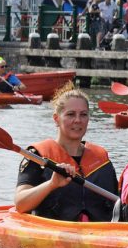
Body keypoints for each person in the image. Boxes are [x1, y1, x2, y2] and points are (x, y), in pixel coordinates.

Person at [15, 87, 119, 221]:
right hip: (53, 233)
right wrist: (51, 184)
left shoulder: (102, 159)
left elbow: (118, 203)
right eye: (70, 114)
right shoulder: (37, 156)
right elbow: (20, 204)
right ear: (56, 119)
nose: (78, 120)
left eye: (83, 114)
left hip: (99, 233)